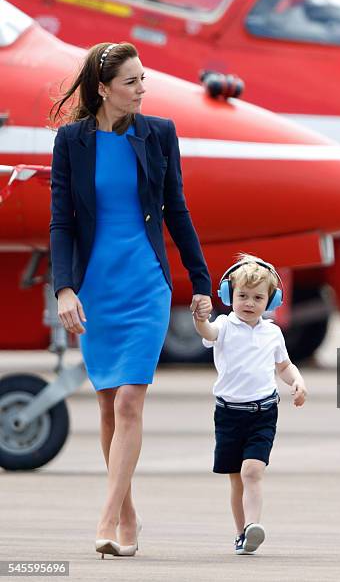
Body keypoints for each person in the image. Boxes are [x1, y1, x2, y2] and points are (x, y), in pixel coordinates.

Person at [49, 42, 212, 557]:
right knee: (105, 407)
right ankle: (128, 517)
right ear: (103, 89)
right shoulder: (71, 142)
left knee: (128, 400)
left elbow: (177, 211)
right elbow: (62, 222)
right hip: (96, 286)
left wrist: (201, 281)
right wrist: (64, 287)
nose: (143, 90)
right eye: (132, 82)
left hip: (146, 284)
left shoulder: (158, 133)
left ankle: (104, 518)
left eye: (144, 80)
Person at [193, 255, 308, 555]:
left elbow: (284, 366)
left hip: (263, 412)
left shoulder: (272, 333)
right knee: (237, 479)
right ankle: (241, 533)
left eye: (258, 298)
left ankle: (253, 527)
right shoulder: (224, 326)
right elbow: (208, 333)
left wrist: (297, 381)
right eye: (242, 296)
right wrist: (199, 318)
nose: (248, 303)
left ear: (271, 300)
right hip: (229, 414)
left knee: (252, 471)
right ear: (229, 295)